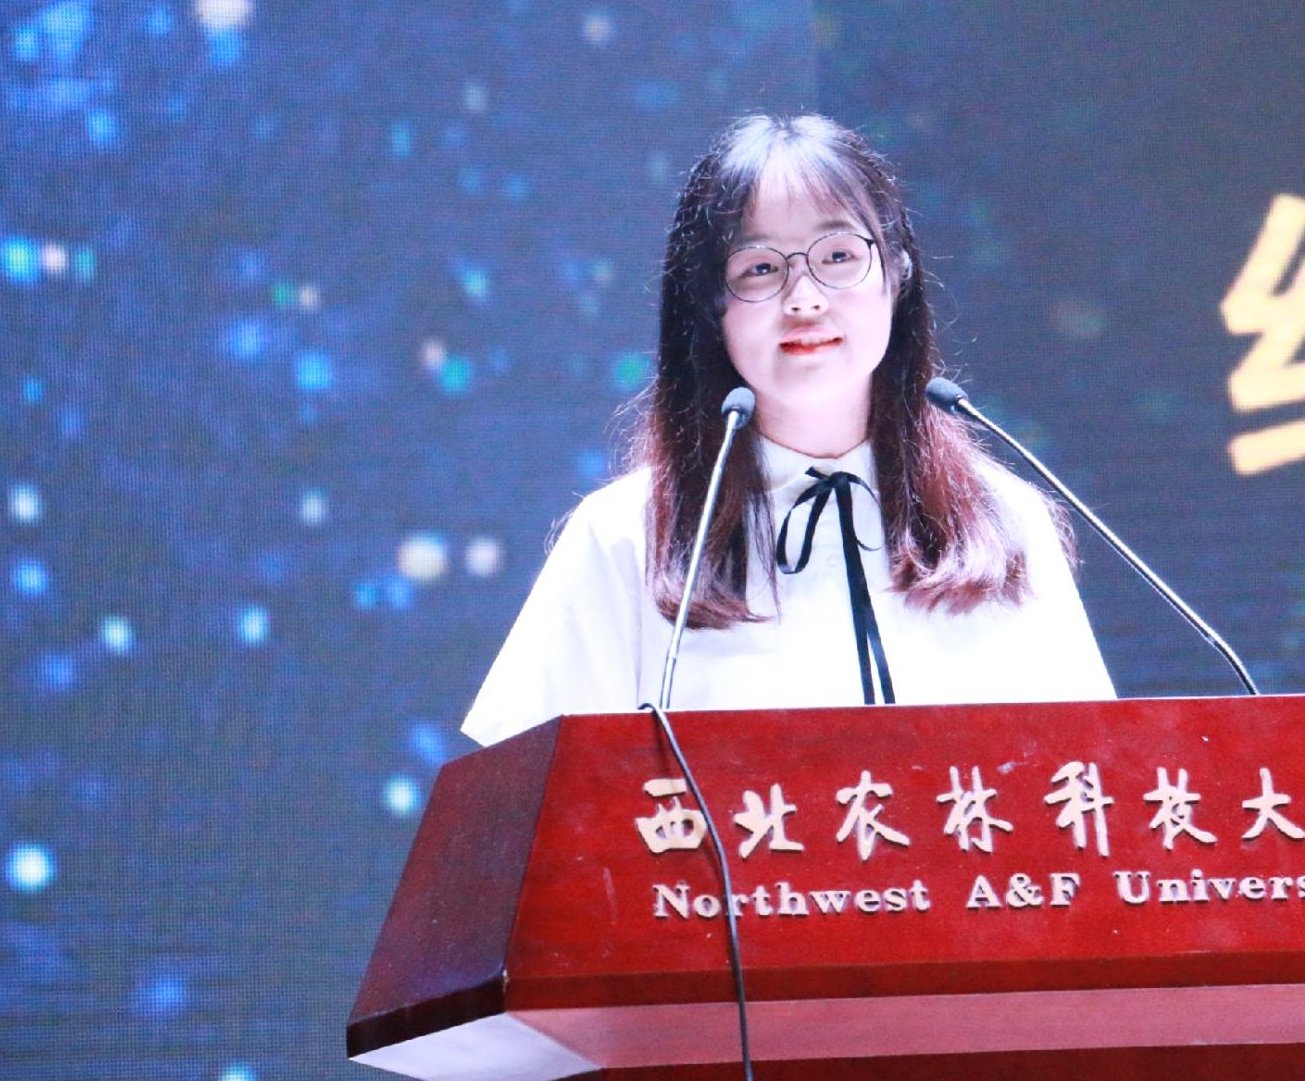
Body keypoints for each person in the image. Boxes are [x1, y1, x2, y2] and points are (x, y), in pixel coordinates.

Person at [460, 113, 1113, 745]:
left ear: (898, 275)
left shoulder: (1006, 523)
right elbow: (530, 798)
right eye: (761, 268)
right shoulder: (624, 537)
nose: (805, 299)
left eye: (839, 255)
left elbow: (1092, 786)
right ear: (711, 307)